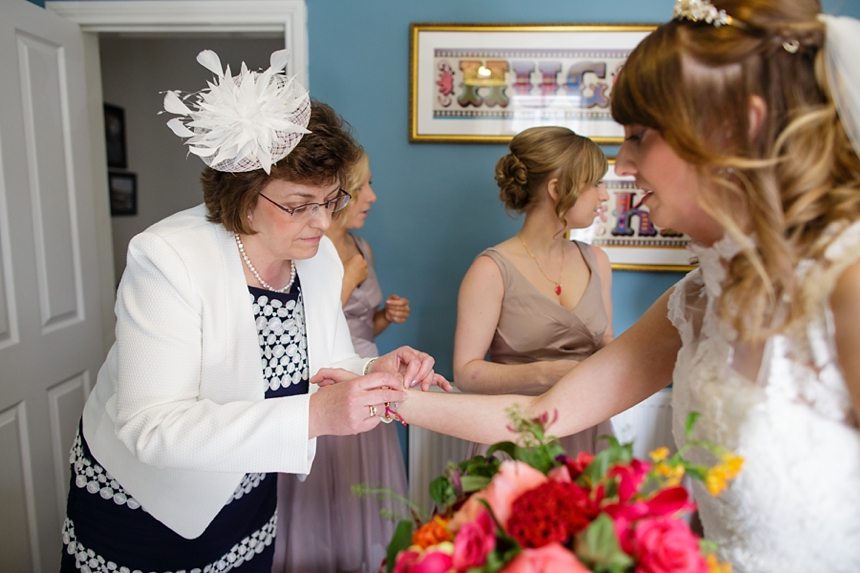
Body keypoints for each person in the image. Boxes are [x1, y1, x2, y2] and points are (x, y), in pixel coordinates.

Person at [328, 1, 860, 570]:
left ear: (738, 125)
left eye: (639, 136)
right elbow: (543, 414)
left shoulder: (845, 285)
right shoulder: (699, 295)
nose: (624, 164)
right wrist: (391, 399)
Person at [60, 49, 446, 572]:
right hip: (151, 501)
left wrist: (371, 370)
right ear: (243, 196)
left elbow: (328, 359)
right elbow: (150, 426)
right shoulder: (168, 258)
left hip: (251, 488)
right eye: (299, 204)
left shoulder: (319, 257)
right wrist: (313, 415)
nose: (321, 221)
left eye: (331, 201)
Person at [273, 149, 411, 572]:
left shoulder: (361, 246)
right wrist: (347, 279)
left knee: (363, 497)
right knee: (323, 500)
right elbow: (301, 330)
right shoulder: (302, 251)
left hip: (369, 383)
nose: (371, 196)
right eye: (363, 186)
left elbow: (363, 328)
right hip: (328, 388)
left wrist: (386, 316)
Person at [453, 126, 614, 456]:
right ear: (557, 189)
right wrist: (549, 373)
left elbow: (606, 346)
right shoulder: (491, 270)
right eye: (595, 183)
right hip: (516, 434)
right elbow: (467, 373)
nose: (604, 195)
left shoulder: (597, 261)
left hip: (587, 433)